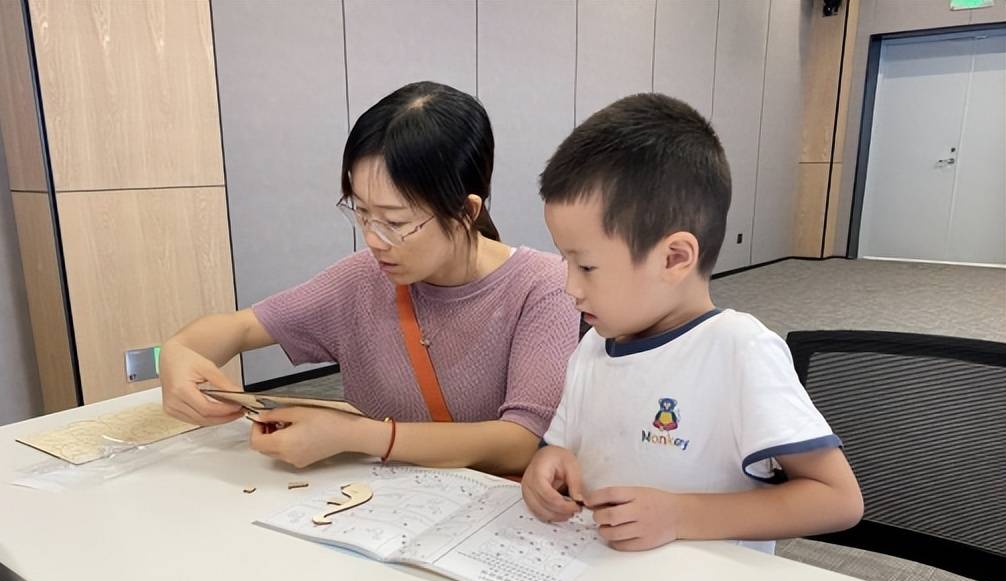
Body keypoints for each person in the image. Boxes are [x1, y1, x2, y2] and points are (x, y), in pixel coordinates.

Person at [160, 82, 578, 475]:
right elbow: (239, 327)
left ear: (466, 212)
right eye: (361, 212)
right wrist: (177, 354)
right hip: (372, 516)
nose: (374, 240)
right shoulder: (361, 279)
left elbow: (522, 441)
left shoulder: (540, 286)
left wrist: (356, 435)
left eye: (396, 221)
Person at [522, 93, 863, 553]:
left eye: (586, 266)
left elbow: (837, 499)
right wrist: (549, 464)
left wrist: (680, 515)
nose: (571, 287)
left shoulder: (739, 350)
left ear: (675, 258)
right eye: (565, 262)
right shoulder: (593, 346)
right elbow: (562, 446)